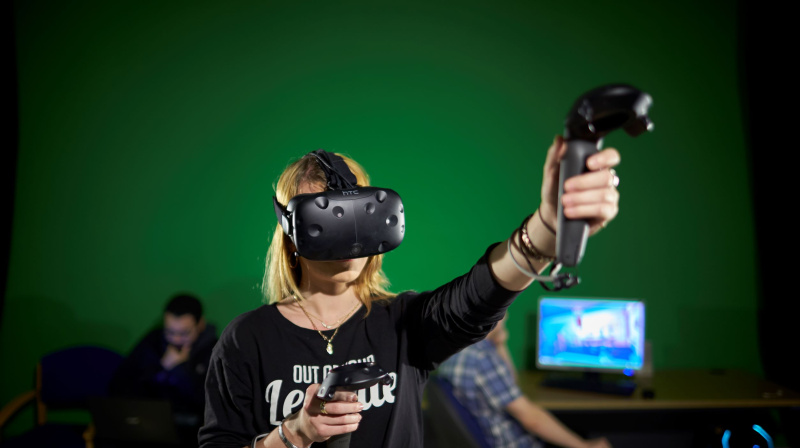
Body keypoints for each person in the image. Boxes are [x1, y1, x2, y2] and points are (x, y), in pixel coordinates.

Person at [199, 135, 622, 448]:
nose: (349, 239)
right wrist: (294, 435)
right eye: (326, 221)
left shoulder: (403, 324)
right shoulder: (245, 341)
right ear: (291, 234)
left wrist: (547, 229)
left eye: (358, 214)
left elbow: (478, 296)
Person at [437, 315, 612, 448]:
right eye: (504, 312)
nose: (507, 316)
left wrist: (500, 344)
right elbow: (532, 419)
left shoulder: (455, 348)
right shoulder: (482, 357)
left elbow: (510, 383)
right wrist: (583, 446)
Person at [110, 293, 217, 445]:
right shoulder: (154, 341)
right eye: (170, 332)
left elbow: (211, 404)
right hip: (148, 427)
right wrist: (160, 368)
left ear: (200, 324)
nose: (176, 339)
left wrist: (179, 370)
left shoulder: (215, 350)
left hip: (193, 433)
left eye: (184, 333)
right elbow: (120, 386)